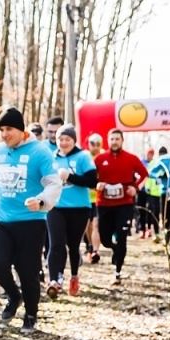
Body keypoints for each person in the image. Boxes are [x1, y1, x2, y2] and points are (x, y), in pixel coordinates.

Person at [0, 107, 62, 334]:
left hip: (31, 220)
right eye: (1, 130)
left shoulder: (39, 152)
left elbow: (54, 183)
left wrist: (40, 201)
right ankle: (14, 296)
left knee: (27, 270)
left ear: (21, 130)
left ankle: (30, 314)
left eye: (9, 129)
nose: (4, 134)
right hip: (3, 220)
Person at [45, 124, 98, 298]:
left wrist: (70, 177)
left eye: (67, 139)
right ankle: (54, 280)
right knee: (56, 244)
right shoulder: (51, 158)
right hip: (55, 207)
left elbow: (92, 181)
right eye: (61, 139)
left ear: (73, 140)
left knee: (73, 246)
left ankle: (74, 276)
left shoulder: (83, 156)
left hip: (79, 208)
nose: (64, 142)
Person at [92, 130, 148, 286]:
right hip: (104, 203)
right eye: (112, 139)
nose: (114, 142)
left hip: (124, 204)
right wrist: (97, 184)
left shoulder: (131, 158)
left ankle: (117, 272)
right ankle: (114, 248)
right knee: (104, 238)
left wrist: (135, 188)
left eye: (117, 139)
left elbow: (144, 175)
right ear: (108, 141)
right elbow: (90, 177)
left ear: (122, 141)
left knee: (122, 237)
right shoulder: (100, 159)